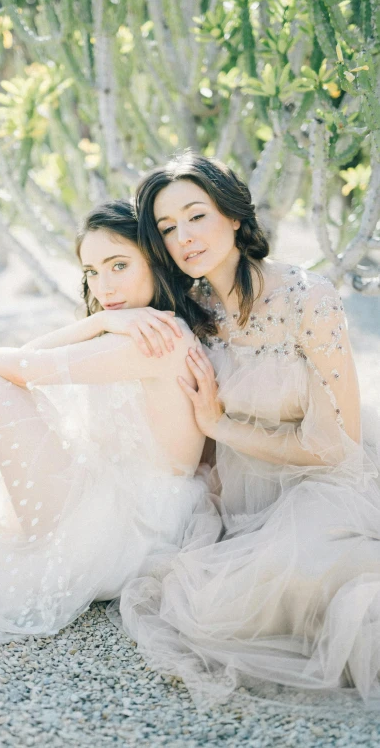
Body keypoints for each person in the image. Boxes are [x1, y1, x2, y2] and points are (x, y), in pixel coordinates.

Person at [0, 200, 223, 656]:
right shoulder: (137, 328)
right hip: (116, 508)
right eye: (92, 271)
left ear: (157, 263)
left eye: (119, 265)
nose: (104, 285)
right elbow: (32, 355)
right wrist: (102, 321)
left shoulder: (159, 340)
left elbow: (31, 366)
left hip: (125, 537)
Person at [107, 151, 380, 718]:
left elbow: (336, 446)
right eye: (167, 227)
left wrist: (219, 425)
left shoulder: (309, 298)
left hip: (324, 481)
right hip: (239, 495)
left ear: (233, 216)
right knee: (206, 591)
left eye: (196, 215)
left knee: (321, 585)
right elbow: (102, 333)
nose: (184, 236)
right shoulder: (190, 309)